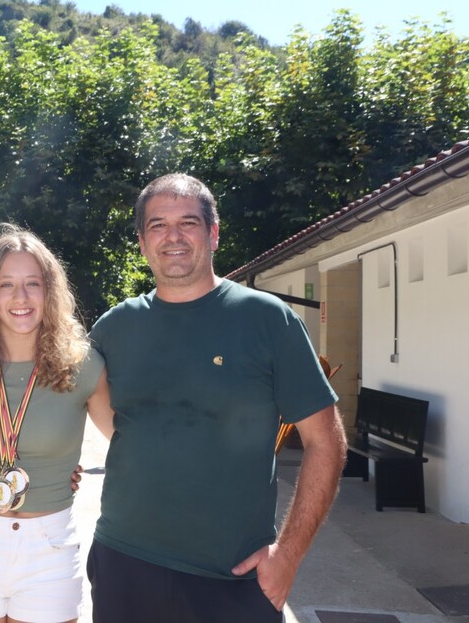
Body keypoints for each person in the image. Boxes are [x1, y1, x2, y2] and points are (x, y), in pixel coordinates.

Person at [85, 173, 347, 622]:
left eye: (188, 223)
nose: (173, 237)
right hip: (123, 564)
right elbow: (69, 390)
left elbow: (327, 442)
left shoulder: (267, 320)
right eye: (158, 225)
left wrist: (288, 555)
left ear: (214, 233)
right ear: (142, 242)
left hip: (232, 578)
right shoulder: (115, 327)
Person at [0, 225, 114, 623]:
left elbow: (131, 443)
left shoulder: (82, 366)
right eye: (6, 285)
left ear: (50, 292)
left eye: (33, 284)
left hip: (50, 550)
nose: (21, 297)